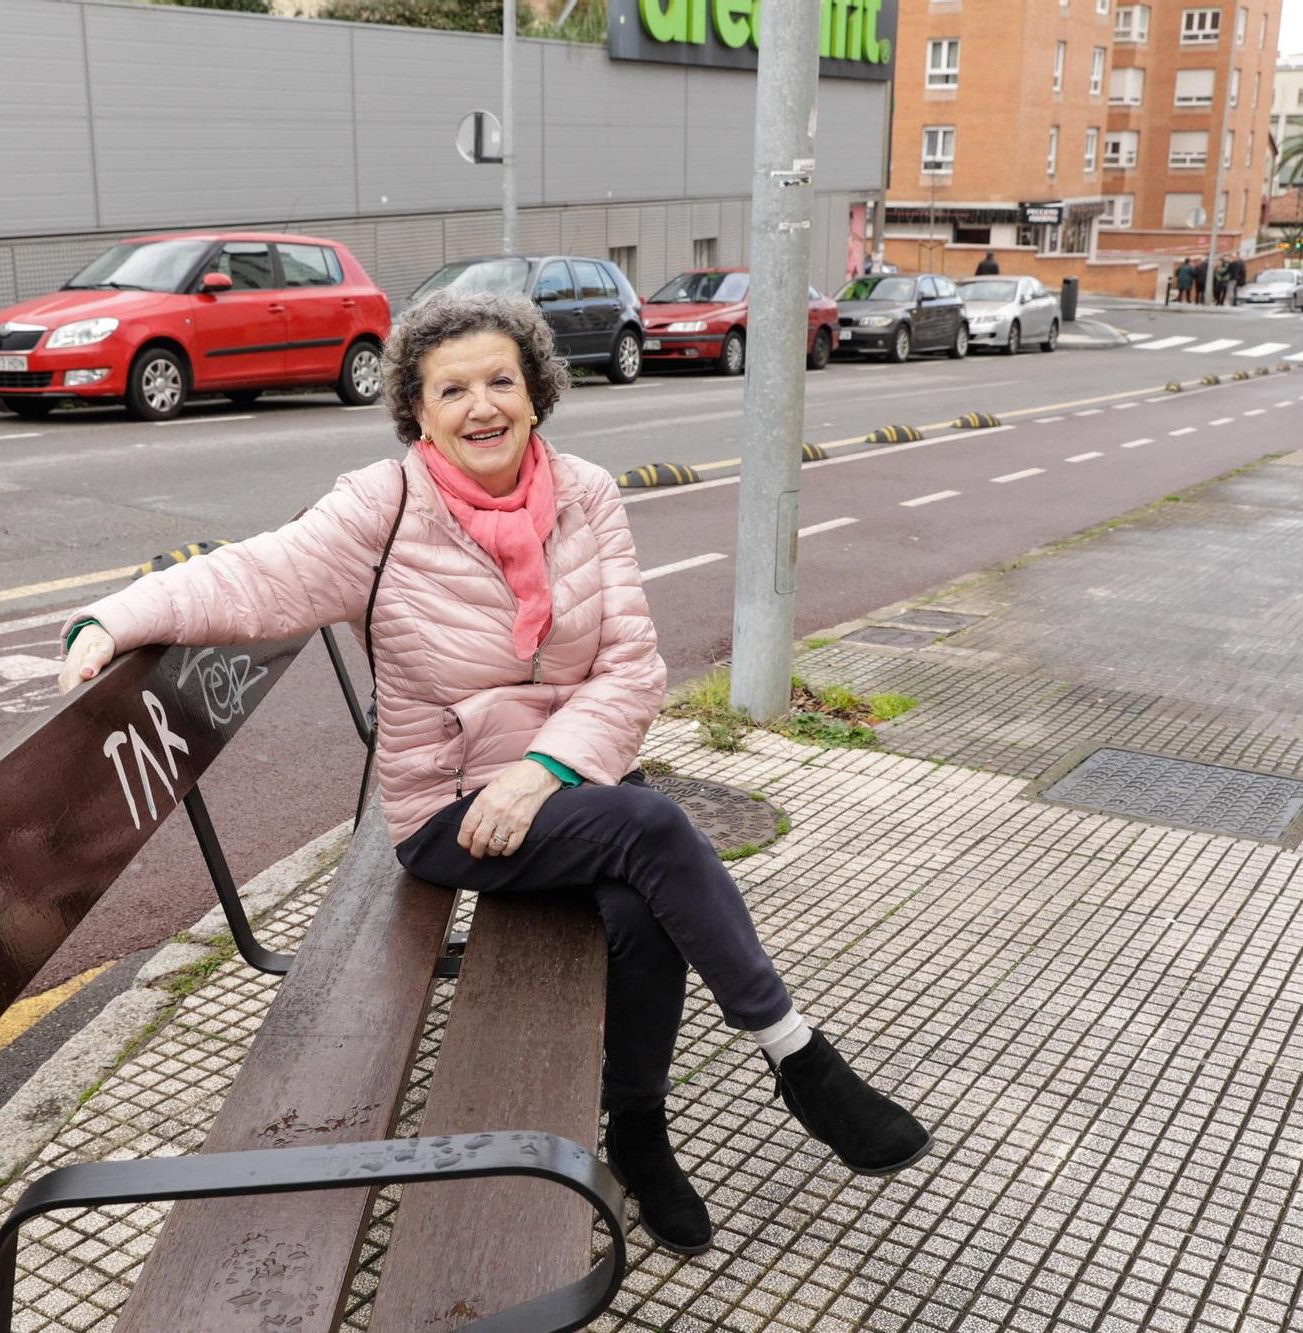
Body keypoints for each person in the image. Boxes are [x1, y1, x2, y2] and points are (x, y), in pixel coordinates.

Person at [56, 290, 932, 1257]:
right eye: (453, 389)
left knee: (645, 905)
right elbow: (256, 575)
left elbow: (632, 665)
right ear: (418, 412)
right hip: (450, 816)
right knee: (654, 829)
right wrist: (111, 618)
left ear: (537, 391)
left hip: (564, 791)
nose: (483, 406)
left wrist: (546, 769)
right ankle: (799, 1059)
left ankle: (638, 1135)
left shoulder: (586, 494)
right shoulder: (383, 508)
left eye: (501, 381)